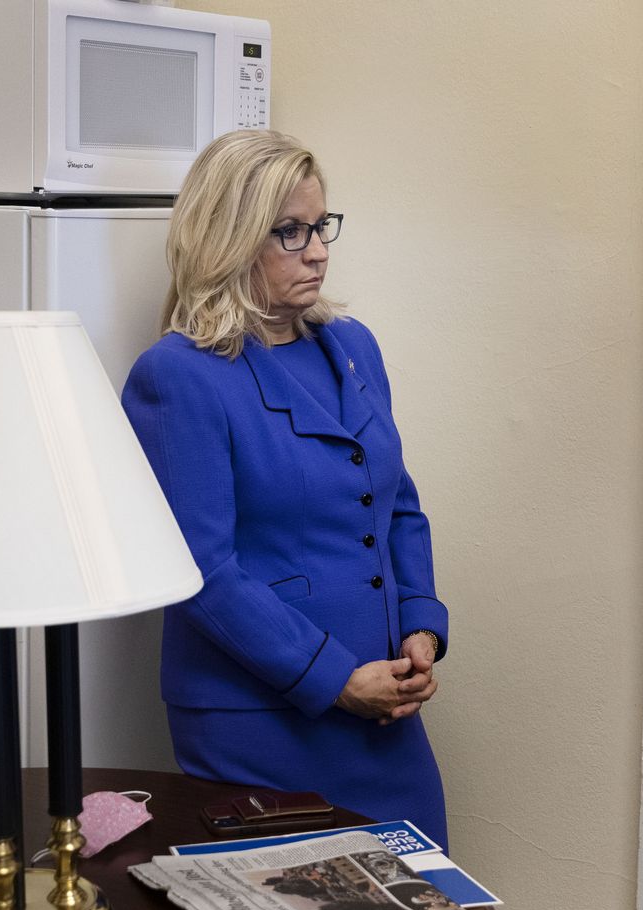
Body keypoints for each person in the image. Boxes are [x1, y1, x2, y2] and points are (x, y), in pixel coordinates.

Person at [122, 129, 451, 848]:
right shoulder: (178, 376)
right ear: (231, 239)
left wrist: (422, 628)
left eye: (321, 226)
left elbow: (395, 502)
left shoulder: (353, 345)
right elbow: (200, 572)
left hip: (385, 707)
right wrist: (336, 679)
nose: (319, 250)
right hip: (260, 720)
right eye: (291, 232)